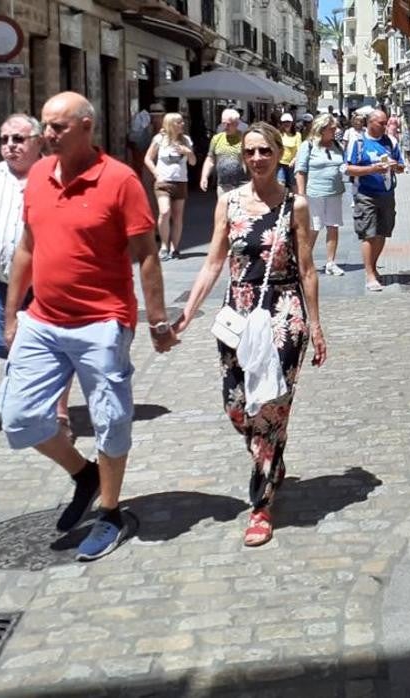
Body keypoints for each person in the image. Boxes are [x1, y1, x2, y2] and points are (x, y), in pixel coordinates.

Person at [0, 92, 176, 562]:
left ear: (86, 126)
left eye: (57, 127)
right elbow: (28, 247)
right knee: (20, 417)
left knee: (111, 420)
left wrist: (157, 320)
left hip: (103, 321)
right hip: (43, 320)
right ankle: (84, 475)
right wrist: (12, 314)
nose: (47, 135)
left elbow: (146, 254)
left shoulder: (119, 181)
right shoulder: (38, 175)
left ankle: (111, 512)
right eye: (45, 127)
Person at [172, 122, 327, 547]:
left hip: (284, 315)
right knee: (238, 408)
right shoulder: (229, 203)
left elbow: (308, 269)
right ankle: (271, 455)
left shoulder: (295, 206)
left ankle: (261, 505)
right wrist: (187, 312)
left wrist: (315, 326)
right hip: (238, 315)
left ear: (280, 155)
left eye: (265, 152)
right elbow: (212, 263)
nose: (258, 159)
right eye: (251, 152)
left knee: (271, 408)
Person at [0, 114, 73, 435]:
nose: (10, 146)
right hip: (2, 281)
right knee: (10, 344)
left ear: (38, 141)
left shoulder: (57, 174)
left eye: (18, 139)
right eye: (4, 139)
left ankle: (59, 413)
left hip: (47, 281)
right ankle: (27, 405)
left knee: (56, 346)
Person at [345, 109, 404, 292]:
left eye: (386, 123)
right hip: (366, 194)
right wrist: (372, 169)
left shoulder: (390, 141)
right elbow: (348, 169)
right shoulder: (359, 142)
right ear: (370, 123)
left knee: (382, 232)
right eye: (381, 123)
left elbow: (401, 166)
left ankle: (373, 266)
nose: (385, 126)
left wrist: (396, 166)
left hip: (387, 193)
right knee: (368, 234)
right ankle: (369, 274)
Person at [294, 113, 347, 276]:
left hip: (335, 192)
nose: (335, 131)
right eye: (332, 128)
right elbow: (300, 171)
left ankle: (331, 262)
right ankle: (304, 261)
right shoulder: (308, 145)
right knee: (313, 228)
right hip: (314, 193)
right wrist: (301, 195)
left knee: (333, 226)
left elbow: (344, 165)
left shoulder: (337, 146)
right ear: (322, 129)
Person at [145, 112, 196, 261]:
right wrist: (155, 173)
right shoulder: (159, 139)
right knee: (165, 212)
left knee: (178, 216)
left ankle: (175, 247)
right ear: (171, 124)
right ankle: (164, 246)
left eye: (182, 122)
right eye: (179, 122)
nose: (182, 124)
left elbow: (192, 162)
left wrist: (188, 152)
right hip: (163, 182)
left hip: (180, 181)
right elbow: (148, 158)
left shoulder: (186, 140)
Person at [202, 108, 249, 196]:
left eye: (229, 124)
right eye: (224, 123)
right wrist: (204, 177)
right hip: (223, 185)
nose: (226, 127)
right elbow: (210, 159)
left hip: (243, 184)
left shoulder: (245, 138)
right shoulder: (217, 138)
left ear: (236, 124)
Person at [277, 113, 300, 187]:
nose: (286, 124)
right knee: (281, 184)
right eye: (284, 122)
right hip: (280, 164)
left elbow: (299, 150)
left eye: (288, 122)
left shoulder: (297, 135)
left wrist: (294, 160)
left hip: (292, 165)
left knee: (293, 186)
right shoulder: (278, 134)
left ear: (292, 123)